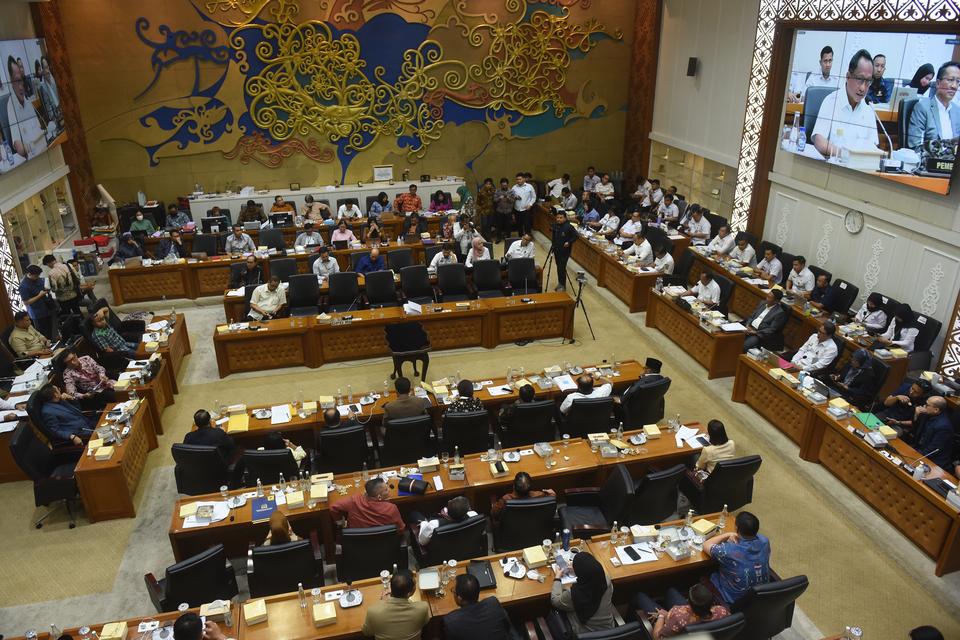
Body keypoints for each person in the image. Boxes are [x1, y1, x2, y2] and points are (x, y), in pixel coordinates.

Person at [812, 49, 879, 158]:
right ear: (848, 76)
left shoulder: (868, 109)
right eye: (859, 79)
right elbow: (819, 141)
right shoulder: (831, 101)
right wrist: (845, 155)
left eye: (868, 81)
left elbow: (873, 146)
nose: (863, 88)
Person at [703, 511, 770, 605]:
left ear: (736, 528)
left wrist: (727, 534)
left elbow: (706, 545)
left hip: (734, 600)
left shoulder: (729, 551)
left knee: (706, 574)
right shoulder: (765, 541)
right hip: (760, 596)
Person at [549, 552, 616, 635]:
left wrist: (557, 578)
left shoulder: (574, 594)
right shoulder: (606, 580)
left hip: (586, 634)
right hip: (610, 631)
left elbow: (555, 601)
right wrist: (577, 571)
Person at [632, 583, 729, 639]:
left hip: (678, 630)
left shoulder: (677, 616)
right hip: (701, 634)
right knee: (671, 590)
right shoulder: (722, 611)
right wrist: (670, 615)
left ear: (689, 603)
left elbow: (657, 637)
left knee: (639, 596)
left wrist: (662, 616)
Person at [361, 569, 430, 640]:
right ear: (410, 593)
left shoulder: (373, 611)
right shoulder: (422, 608)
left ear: (391, 587)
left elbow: (367, 632)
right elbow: (424, 622)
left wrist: (382, 602)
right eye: (415, 584)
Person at [907, 60, 960, 150]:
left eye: (958, 81)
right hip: (932, 161)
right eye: (950, 80)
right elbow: (915, 146)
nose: (954, 86)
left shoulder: (957, 111)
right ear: (938, 83)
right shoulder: (923, 107)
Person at [444, 573, 514, 640]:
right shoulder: (493, 603)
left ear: (460, 599)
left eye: (454, 591)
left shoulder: (451, 621)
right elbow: (507, 627)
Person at [5, 55, 46, 158]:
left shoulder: (27, 101)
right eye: (16, 81)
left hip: (43, 150)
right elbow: (19, 147)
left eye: (21, 80)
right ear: (11, 81)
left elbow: (40, 128)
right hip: (32, 156)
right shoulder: (11, 106)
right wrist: (29, 147)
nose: (20, 86)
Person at [331, 477, 406, 531]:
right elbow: (401, 529)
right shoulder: (391, 508)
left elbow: (333, 507)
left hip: (357, 543)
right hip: (384, 545)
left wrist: (341, 523)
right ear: (379, 497)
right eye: (386, 490)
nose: (389, 490)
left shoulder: (354, 500)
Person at [909, 397, 954, 470]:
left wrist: (914, 455)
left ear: (936, 410)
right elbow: (915, 434)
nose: (924, 406)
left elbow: (932, 450)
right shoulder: (926, 415)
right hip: (919, 450)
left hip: (933, 461)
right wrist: (916, 415)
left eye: (927, 405)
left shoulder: (943, 427)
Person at [491, 470, 555, 521]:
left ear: (513, 486)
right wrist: (552, 495)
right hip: (534, 526)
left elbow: (494, 514)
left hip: (513, 530)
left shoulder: (505, 500)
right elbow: (551, 502)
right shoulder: (540, 495)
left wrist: (493, 502)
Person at [19, 264, 55, 339]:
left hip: (47, 308)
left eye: (38, 275)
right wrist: (40, 295)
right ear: (29, 274)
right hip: (37, 313)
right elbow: (26, 302)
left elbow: (44, 287)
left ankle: (53, 343)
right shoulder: (23, 286)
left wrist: (48, 289)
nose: (38, 277)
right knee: (42, 334)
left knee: (51, 330)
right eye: (36, 276)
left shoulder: (38, 279)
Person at [552, 211, 577, 292]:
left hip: (565, 251)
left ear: (565, 218)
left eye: (561, 218)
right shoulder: (555, 226)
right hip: (556, 250)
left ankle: (563, 286)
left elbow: (576, 236)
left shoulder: (569, 227)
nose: (558, 219)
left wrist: (569, 242)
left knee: (561, 267)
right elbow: (553, 237)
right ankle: (560, 283)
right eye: (557, 217)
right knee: (559, 267)